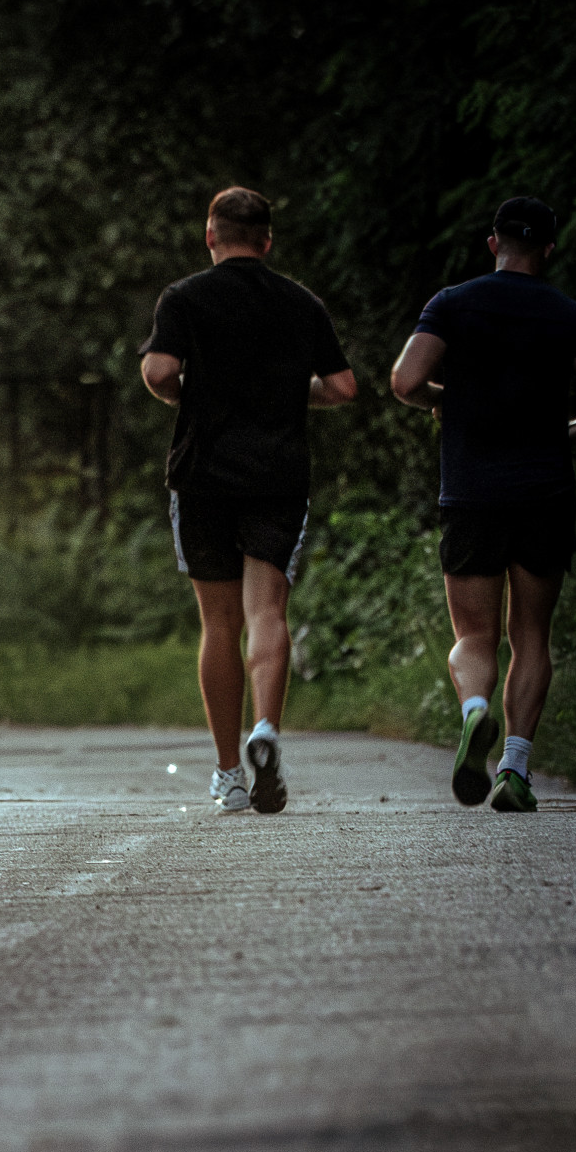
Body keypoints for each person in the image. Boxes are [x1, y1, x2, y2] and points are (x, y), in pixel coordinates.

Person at [388, 197, 576, 812]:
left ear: (493, 244)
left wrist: (451, 396)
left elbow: (405, 383)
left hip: (471, 493)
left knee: (473, 636)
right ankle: (514, 770)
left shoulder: (453, 303)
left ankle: (474, 712)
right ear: (549, 249)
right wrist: (571, 429)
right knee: (531, 637)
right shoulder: (570, 315)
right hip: (544, 491)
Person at [138, 187, 357, 814]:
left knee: (219, 624)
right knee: (268, 612)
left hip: (204, 475)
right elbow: (343, 387)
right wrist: (291, 395)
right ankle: (267, 728)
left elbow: (157, 373)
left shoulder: (184, 298)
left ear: (210, 237)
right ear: (266, 241)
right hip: (278, 477)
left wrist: (194, 395)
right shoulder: (299, 302)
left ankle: (230, 773)